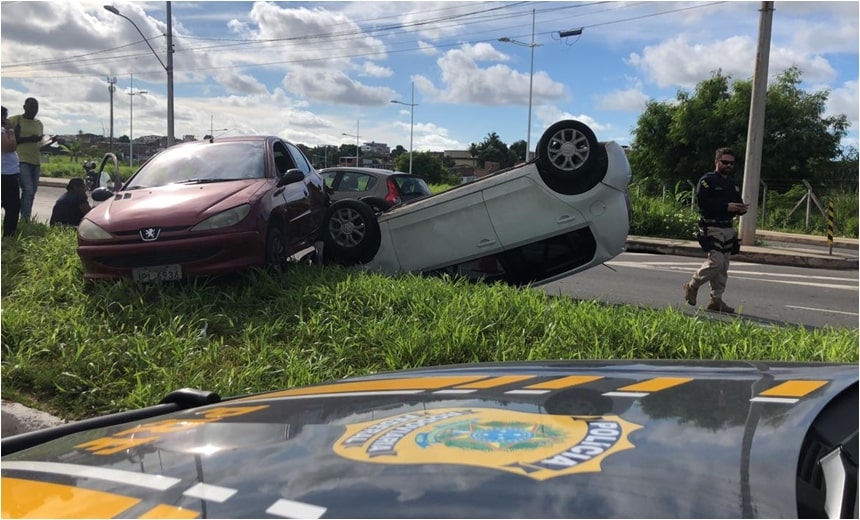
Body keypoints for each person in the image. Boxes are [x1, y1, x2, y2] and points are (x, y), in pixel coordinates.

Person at [682, 147, 749, 313]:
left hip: (727, 227)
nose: (728, 166)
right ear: (716, 162)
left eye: (731, 163)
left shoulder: (732, 184)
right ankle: (692, 285)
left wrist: (740, 209)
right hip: (711, 226)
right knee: (716, 261)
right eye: (724, 162)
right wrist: (726, 206)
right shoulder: (708, 180)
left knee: (724, 265)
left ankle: (716, 299)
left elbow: (737, 202)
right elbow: (703, 203)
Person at [9, 97, 56, 221]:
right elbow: (9, 140)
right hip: (21, 159)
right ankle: (25, 220)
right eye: (31, 107)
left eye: (36, 108)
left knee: (32, 192)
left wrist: (51, 142)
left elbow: (39, 145)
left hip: (35, 161)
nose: (33, 110)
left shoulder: (39, 124)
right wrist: (30, 138)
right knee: (28, 190)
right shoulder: (15, 120)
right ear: (24, 107)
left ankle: (25, 217)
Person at [2, 106, 21, 237]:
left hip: (8, 173)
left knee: (12, 206)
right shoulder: (3, 131)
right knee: (13, 206)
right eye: (4, 116)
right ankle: (9, 236)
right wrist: (11, 130)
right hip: (5, 174)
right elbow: (9, 147)